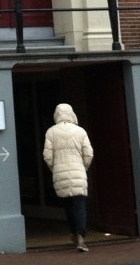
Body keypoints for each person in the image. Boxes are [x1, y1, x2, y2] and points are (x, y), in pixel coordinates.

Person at [43, 103, 94, 252]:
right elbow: (89, 154)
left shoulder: (51, 132)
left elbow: (47, 156)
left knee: (68, 206)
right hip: (79, 171)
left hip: (59, 172)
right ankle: (81, 236)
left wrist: (55, 168)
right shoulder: (80, 131)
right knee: (79, 204)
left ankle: (73, 232)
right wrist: (83, 167)